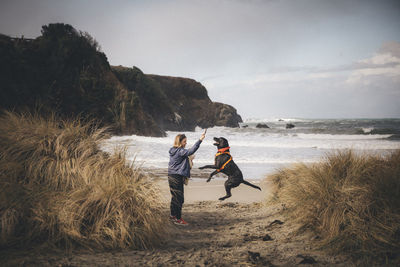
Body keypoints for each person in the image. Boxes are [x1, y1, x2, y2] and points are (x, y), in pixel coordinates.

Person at [168, 131, 206, 225]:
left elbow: (183, 158)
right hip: (176, 177)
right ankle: (178, 219)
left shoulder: (173, 150)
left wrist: (189, 159)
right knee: (179, 199)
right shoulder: (180, 151)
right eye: (185, 141)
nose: (186, 143)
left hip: (171, 175)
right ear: (180, 142)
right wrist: (200, 140)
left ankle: (173, 215)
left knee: (174, 197)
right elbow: (191, 151)